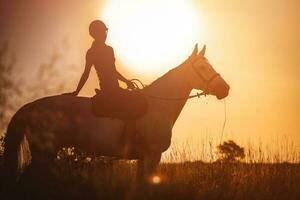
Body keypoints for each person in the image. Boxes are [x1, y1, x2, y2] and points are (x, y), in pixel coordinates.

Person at [67, 20, 138, 157]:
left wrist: (126, 81)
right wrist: (77, 91)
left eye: (105, 31)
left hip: (115, 88)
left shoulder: (104, 50)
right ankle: (128, 144)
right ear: (96, 34)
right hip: (109, 90)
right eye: (103, 31)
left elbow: (113, 71)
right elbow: (86, 73)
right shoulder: (94, 52)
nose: (105, 34)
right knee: (131, 111)